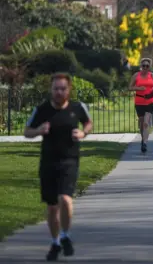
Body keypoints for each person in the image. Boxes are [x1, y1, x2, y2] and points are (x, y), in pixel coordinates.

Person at [23, 72, 93, 261]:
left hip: (69, 160)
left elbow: (88, 123)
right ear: (51, 90)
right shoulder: (42, 110)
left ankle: (65, 236)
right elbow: (26, 131)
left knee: (65, 199)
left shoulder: (78, 107)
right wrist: (38, 130)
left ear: (69, 89)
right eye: (56, 89)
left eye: (63, 89)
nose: (59, 92)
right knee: (52, 207)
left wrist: (83, 133)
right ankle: (55, 242)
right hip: (48, 162)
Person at [129, 58, 153, 153]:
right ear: (141, 66)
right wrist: (138, 88)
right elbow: (130, 87)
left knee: (146, 122)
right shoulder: (136, 75)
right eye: (144, 66)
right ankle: (143, 139)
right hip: (139, 101)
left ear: (149, 67)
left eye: (147, 66)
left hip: (150, 100)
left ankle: (145, 143)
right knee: (141, 122)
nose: (145, 67)